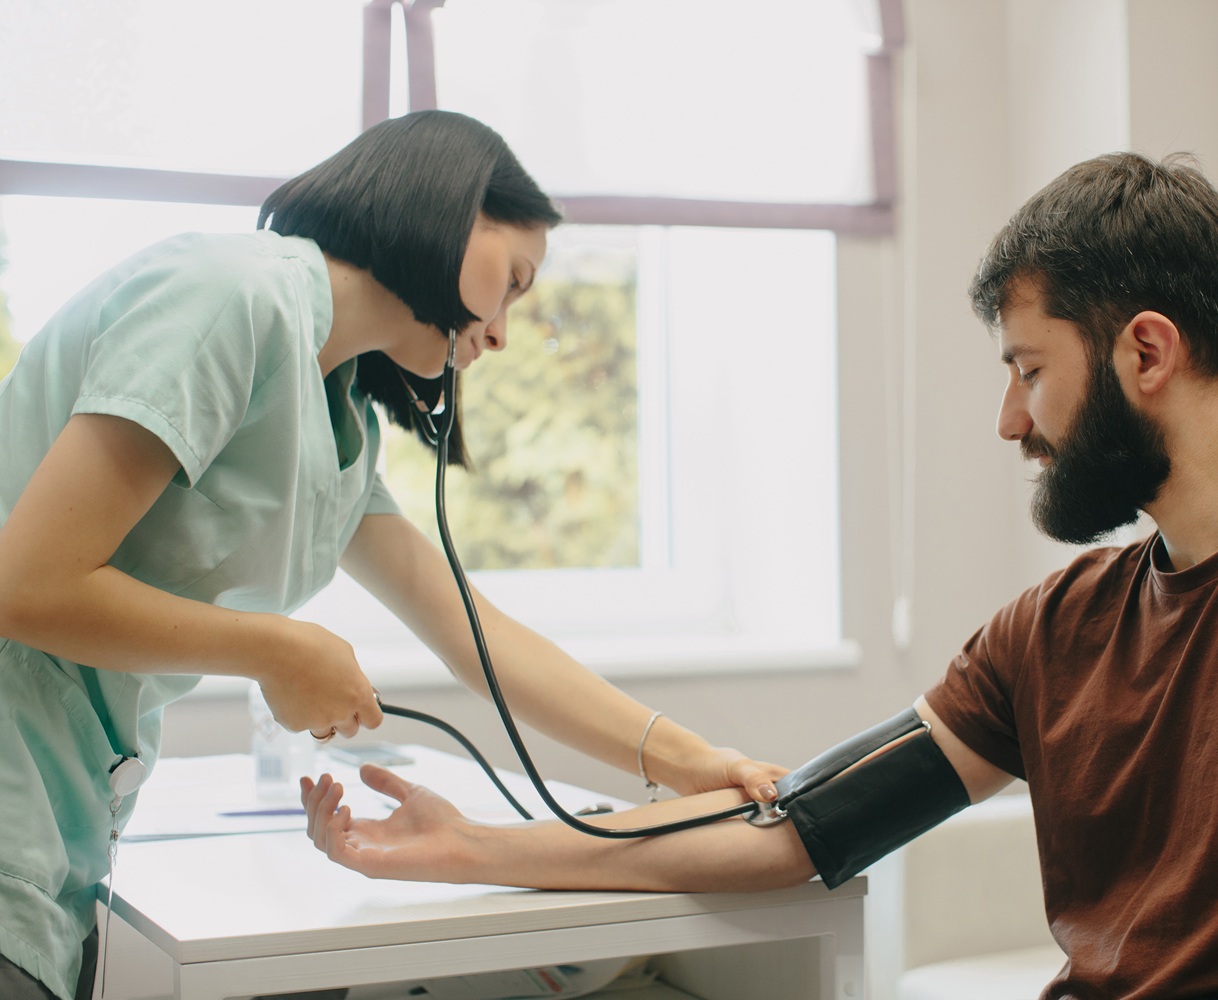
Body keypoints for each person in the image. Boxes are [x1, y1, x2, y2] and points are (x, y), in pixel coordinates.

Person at [300, 152, 1218, 998]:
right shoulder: (1059, 629)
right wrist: (478, 847)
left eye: (1028, 370)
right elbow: (802, 825)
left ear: (1146, 350)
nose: (1007, 419)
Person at [0, 110, 784, 1000]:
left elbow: (475, 635)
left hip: (52, 841)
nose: (501, 333)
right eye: (514, 281)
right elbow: (27, 586)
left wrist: (684, 759)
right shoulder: (229, 295)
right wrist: (280, 649)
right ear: (451, 206)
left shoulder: (339, 422)